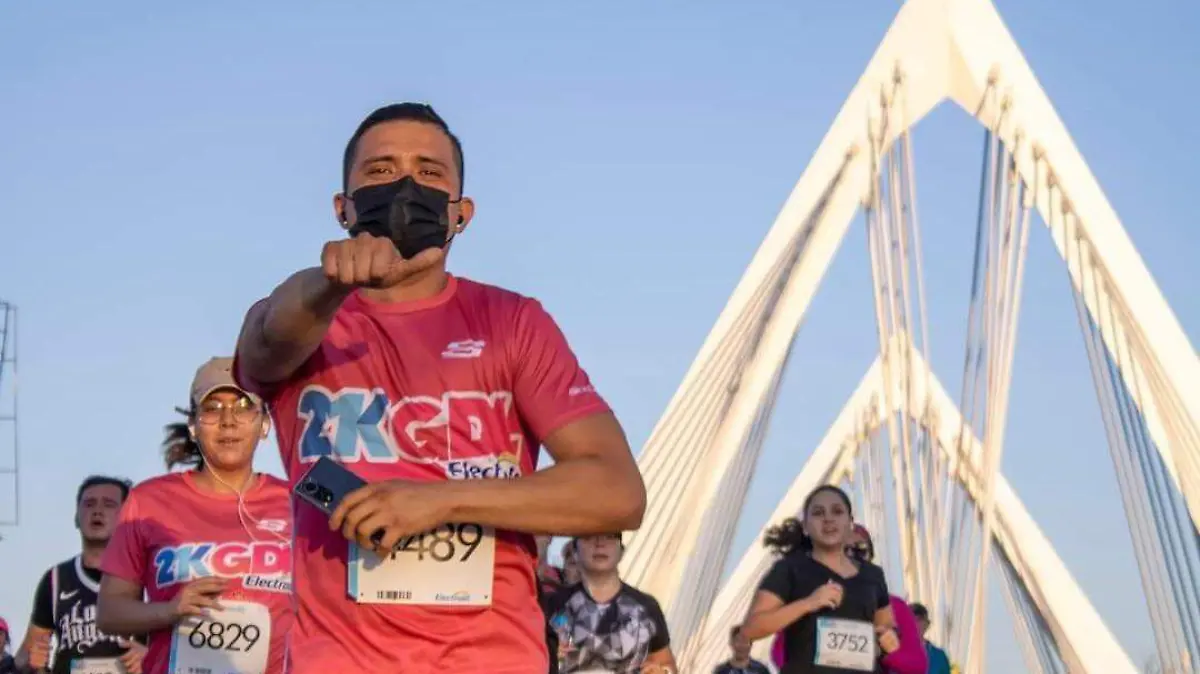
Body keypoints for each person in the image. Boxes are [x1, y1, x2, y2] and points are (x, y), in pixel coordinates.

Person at [232, 102, 646, 673]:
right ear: (342, 206)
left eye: (429, 172)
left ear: (461, 212)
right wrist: (329, 283)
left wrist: (439, 500)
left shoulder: (512, 321)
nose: (405, 184)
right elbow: (267, 345)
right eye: (379, 171)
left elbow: (618, 492)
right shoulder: (304, 320)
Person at [96, 357, 293, 674]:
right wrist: (170, 611)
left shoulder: (295, 501)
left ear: (264, 423)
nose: (228, 420)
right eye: (212, 407)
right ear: (193, 425)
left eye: (243, 406)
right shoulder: (149, 501)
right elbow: (109, 612)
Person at [741, 485, 899, 674]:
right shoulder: (789, 569)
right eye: (818, 513)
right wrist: (808, 603)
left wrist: (889, 636)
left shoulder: (873, 574)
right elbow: (752, 628)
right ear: (806, 526)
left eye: (837, 511)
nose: (828, 519)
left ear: (850, 523)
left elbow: (886, 623)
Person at [15, 476, 146, 674]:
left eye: (109, 504)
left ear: (127, 516)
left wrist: (151, 654)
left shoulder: (148, 577)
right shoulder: (56, 579)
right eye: (89, 504)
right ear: (76, 517)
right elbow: (22, 656)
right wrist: (29, 659)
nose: (97, 511)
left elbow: (181, 646)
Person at [543, 534, 676, 673]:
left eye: (610, 536)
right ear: (575, 552)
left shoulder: (646, 608)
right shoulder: (551, 605)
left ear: (622, 551)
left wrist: (663, 671)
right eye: (589, 537)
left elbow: (666, 662)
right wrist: (547, 653)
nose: (600, 543)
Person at [845, 525, 926, 674]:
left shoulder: (895, 606)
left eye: (860, 550)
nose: (851, 556)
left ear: (870, 555)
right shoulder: (814, 602)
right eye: (843, 549)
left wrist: (890, 653)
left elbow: (918, 665)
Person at [908, 604, 952, 674]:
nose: (915, 624)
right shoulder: (894, 655)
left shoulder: (939, 657)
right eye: (911, 619)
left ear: (927, 624)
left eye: (919, 620)